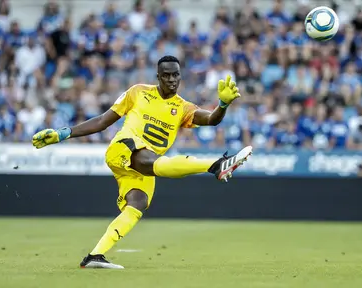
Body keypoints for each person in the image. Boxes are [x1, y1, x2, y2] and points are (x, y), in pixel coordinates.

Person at [32, 55, 253, 269]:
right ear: (157, 76)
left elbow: (212, 119)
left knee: (137, 205)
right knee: (155, 161)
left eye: (176, 75)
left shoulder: (183, 108)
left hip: (144, 165)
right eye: (166, 76)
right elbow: (102, 121)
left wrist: (222, 104)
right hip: (124, 148)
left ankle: (95, 256)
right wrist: (64, 133)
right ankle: (215, 165)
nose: (172, 80)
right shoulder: (138, 92)